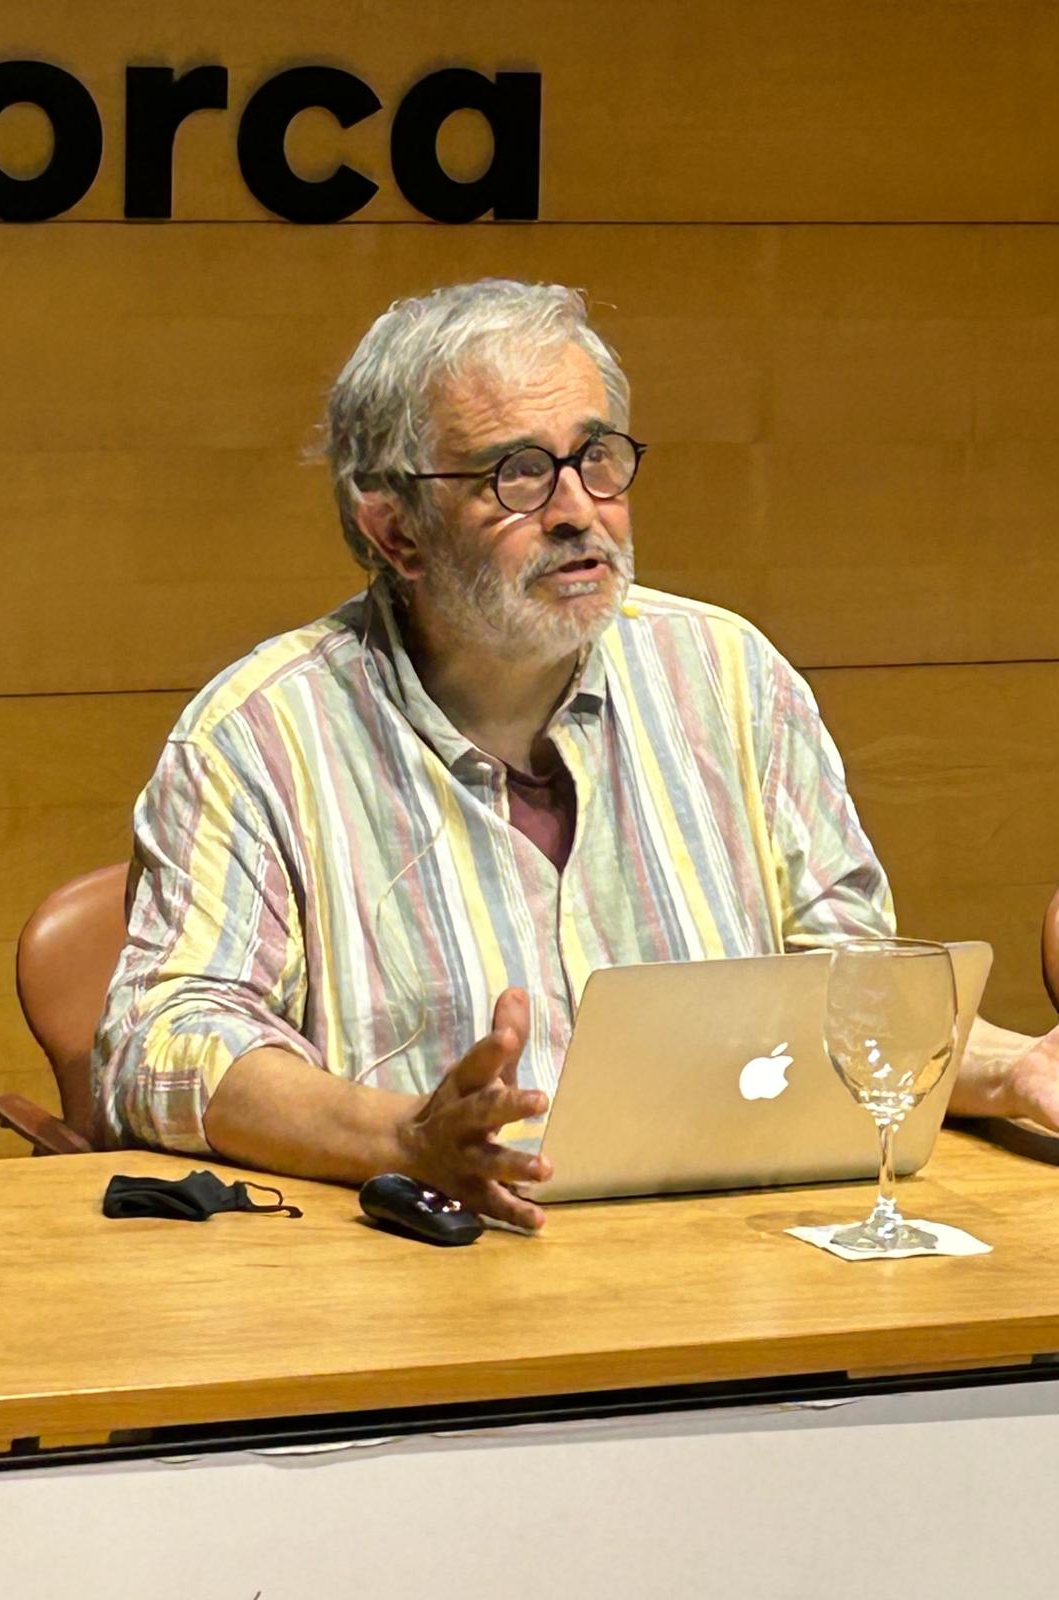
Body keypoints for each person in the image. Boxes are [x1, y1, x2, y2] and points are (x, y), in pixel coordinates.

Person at [91, 279, 1059, 1229]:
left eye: (596, 458)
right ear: (396, 530)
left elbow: (852, 994)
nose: (576, 510)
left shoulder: (729, 677)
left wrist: (1013, 1068)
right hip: (427, 1273)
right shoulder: (261, 735)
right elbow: (161, 1046)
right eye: (516, 474)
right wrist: (403, 1137)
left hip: (732, 1259)